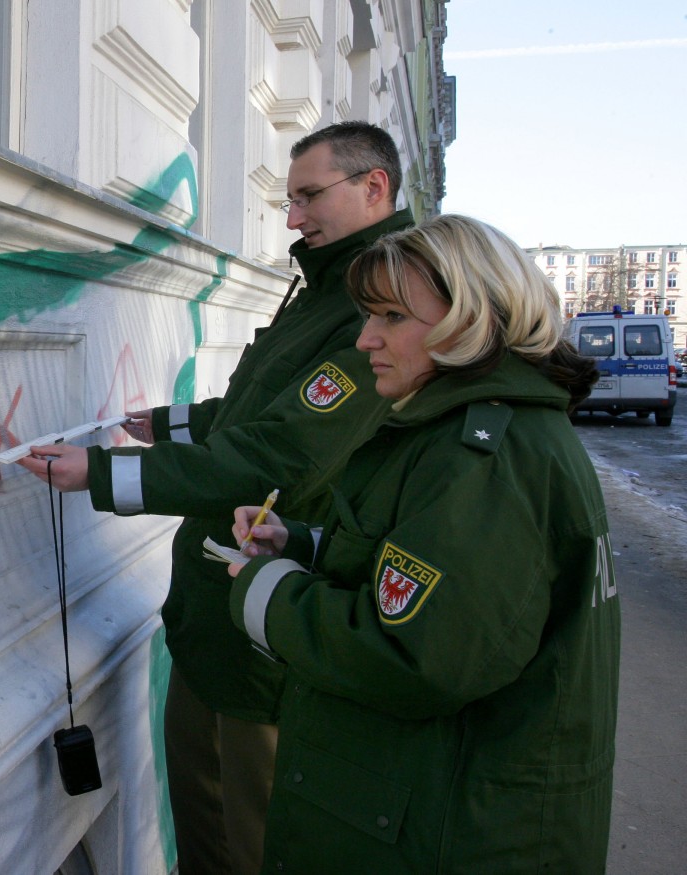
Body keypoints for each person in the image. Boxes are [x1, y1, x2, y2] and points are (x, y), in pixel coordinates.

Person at [18, 121, 412, 874]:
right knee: (205, 823)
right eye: (288, 199)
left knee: (251, 839)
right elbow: (255, 409)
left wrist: (101, 474)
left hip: (266, 632)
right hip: (214, 618)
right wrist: (160, 424)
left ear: (373, 188)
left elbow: (279, 453)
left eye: (307, 197)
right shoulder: (327, 284)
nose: (292, 219)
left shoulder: (377, 304)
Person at [227, 214, 620, 873]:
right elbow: (442, 572)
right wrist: (307, 544)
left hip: (452, 836)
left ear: (470, 319)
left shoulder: (483, 459)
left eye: (390, 316)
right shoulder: (482, 432)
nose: (365, 338)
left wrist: (263, 592)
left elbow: (415, 655)